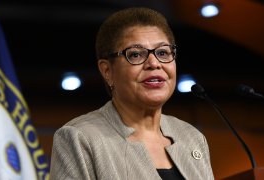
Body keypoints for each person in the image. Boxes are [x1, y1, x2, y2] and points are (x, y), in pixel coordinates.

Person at [50, 7, 214, 180]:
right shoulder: (79, 138)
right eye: (135, 54)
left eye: (163, 52)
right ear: (107, 71)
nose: (154, 63)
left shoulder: (191, 137)